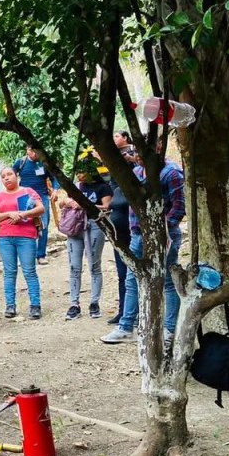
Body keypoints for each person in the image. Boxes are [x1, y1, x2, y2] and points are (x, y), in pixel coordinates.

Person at [101, 143, 185, 345]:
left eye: (139, 152)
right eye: (134, 152)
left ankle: (169, 329)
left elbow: (179, 207)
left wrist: (161, 229)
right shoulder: (137, 172)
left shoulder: (171, 173)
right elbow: (133, 206)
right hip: (138, 236)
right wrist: (135, 229)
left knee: (167, 281)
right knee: (132, 280)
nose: (135, 156)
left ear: (156, 149)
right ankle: (126, 326)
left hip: (164, 236)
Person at [0, 167, 45, 319]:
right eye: (3, 176)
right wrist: (9, 214)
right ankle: (10, 305)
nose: (7, 178)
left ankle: (35, 305)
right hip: (5, 238)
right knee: (9, 272)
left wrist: (23, 214)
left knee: (29, 271)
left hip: (26, 237)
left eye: (9, 174)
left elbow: (41, 208)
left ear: (17, 176)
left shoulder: (28, 191)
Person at [60, 160, 112, 320]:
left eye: (83, 171)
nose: (79, 175)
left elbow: (107, 206)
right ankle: (74, 304)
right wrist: (69, 201)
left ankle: (94, 303)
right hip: (75, 227)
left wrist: (86, 204)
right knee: (74, 267)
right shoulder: (76, 187)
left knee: (94, 266)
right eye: (78, 172)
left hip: (94, 226)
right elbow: (62, 202)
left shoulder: (103, 187)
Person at [105, 145, 137, 325]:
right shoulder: (116, 184)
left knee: (134, 275)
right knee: (122, 274)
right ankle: (123, 310)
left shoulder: (137, 179)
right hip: (119, 238)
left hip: (135, 236)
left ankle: (136, 312)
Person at [13, 145, 58, 265]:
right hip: (25, 197)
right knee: (24, 224)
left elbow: (54, 178)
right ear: (27, 151)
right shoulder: (20, 162)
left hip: (42, 197)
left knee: (43, 225)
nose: (34, 153)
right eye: (31, 150)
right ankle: (25, 255)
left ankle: (41, 255)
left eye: (36, 150)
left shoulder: (44, 163)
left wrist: (55, 190)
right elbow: (11, 175)